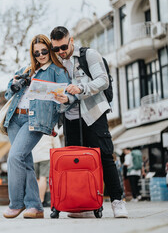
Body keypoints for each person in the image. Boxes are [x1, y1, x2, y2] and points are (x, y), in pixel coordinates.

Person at [51, 26, 128, 218]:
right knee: (76, 163)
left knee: (105, 157)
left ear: (71, 40)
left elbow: (103, 81)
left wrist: (81, 88)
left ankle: (118, 202)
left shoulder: (90, 55)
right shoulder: (57, 62)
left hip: (93, 114)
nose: (61, 52)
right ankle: (82, 204)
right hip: (70, 118)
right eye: (56, 49)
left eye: (63, 47)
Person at [2, 34, 72, 219]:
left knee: (15, 157)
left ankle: (16, 203)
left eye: (44, 51)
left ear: (50, 50)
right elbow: (7, 94)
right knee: (25, 162)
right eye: (37, 52)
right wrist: (14, 84)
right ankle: (35, 206)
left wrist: (56, 117)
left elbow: (67, 99)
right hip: (14, 119)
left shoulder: (57, 70)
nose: (41, 55)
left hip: (35, 121)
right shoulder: (27, 69)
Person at [31, 134, 61, 207]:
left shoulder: (33, 126)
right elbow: (56, 143)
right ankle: (41, 200)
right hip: (46, 155)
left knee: (36, 179)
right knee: (43, 178)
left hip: (34, 156)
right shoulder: (50, 126)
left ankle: (35, 200)